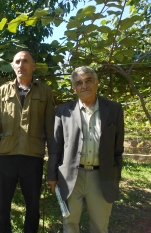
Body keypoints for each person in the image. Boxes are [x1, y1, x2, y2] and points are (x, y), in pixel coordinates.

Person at [47, 66, 124, 232]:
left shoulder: (114, 110)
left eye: (88, 80)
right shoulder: (63, 111)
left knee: (100, 226)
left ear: (96, 82)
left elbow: (118, 148)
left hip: (101, 177)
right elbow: (55, 147)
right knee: (69, 224)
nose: (84, 85)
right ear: (74, 88)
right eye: (79, 83)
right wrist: (52, 176)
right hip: (70, 177)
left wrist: (115, 175)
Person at [0, 50, 55, 233]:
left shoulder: (45, 91)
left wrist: (53, 162)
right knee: (3, 206)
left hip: (33, 157)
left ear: (33, 66)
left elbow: (50, 127)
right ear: (12, 66)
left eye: (25, 61)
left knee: (33, 207)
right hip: (6, 157)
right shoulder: (3, 90)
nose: (21, 65)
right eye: (17, 61)